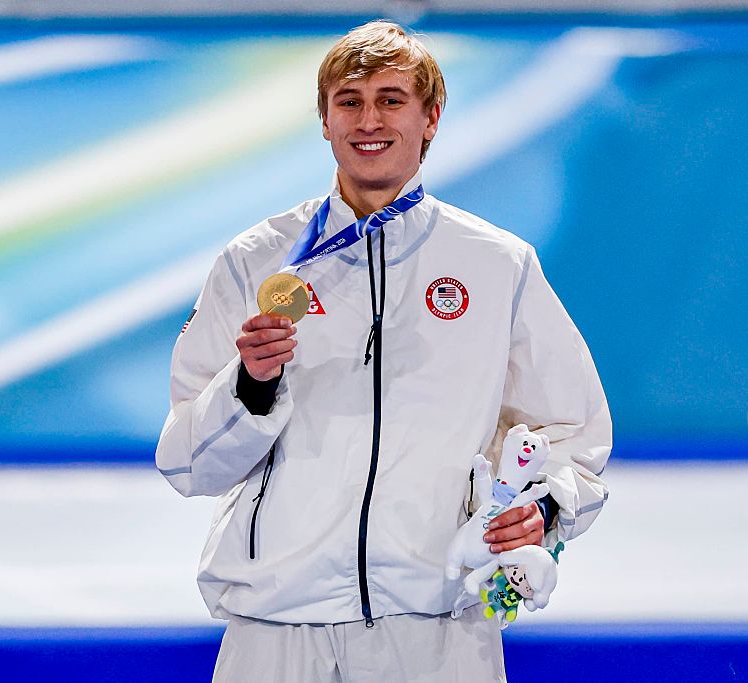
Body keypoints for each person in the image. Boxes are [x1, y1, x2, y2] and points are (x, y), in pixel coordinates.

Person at [156, 20, 611, 682]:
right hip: (279, 627)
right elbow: (186, 462)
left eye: (392, 100)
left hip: (437, 627)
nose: (369, 120)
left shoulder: (496, 265)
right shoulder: (256, 261)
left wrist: (541, 508)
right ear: (324, 120)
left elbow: (576, 433)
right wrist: (251, 384)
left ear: (431, 117)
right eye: (350, 101)